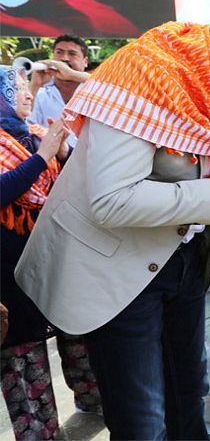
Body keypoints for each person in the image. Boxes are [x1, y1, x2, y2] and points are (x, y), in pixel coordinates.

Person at [15, 0, 210, 439]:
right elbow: (111, 200)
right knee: (144, 418)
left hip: (183, 261)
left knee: (189, 393)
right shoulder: (149, 73)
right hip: (116, 272)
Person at [0, 66, 74, 439]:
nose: (28, 93)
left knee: (75, 336)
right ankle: (39, 433)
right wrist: (45, 156)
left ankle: (91, 406)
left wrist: (60, 153)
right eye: (15, 89)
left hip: (50, 258)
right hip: (7, 269)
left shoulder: (33, 135)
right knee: (21, 353)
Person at [28, 35, 91, 146]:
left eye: (72, 54)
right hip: (49, 161)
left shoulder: (95, 92)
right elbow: (22, 126)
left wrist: (73, 75)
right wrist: (34, 85)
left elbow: (116, 87)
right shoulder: (40, 94)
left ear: (85, 61)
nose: (64, 58)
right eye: (59, 52)